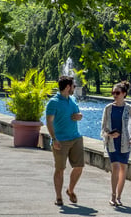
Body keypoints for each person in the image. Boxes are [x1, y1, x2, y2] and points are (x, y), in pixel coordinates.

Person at [46, 76, 84, 206]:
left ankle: (70, 190)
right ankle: (58, 197)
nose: (74, 88)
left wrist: (79, 116)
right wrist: (54, 138)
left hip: (76, 138)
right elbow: (49, 122)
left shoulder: (73, 100)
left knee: (79, 167)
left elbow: (78, 115)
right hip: (60, 140)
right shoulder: (53, 102)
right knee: (60, 169)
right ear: (68, 87)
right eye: (73, 86)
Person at [101, 80, 131, 207]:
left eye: (117, 92)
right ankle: (112, 196)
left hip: (125, 143)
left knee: (123, 168)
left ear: (124, 94)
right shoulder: (108, 108)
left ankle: (119, 197)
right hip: (112, 143)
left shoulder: (130, 109)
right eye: (113, 93)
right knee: (116, 167)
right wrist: (109, 134)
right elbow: (103, 128)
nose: (114, 95)